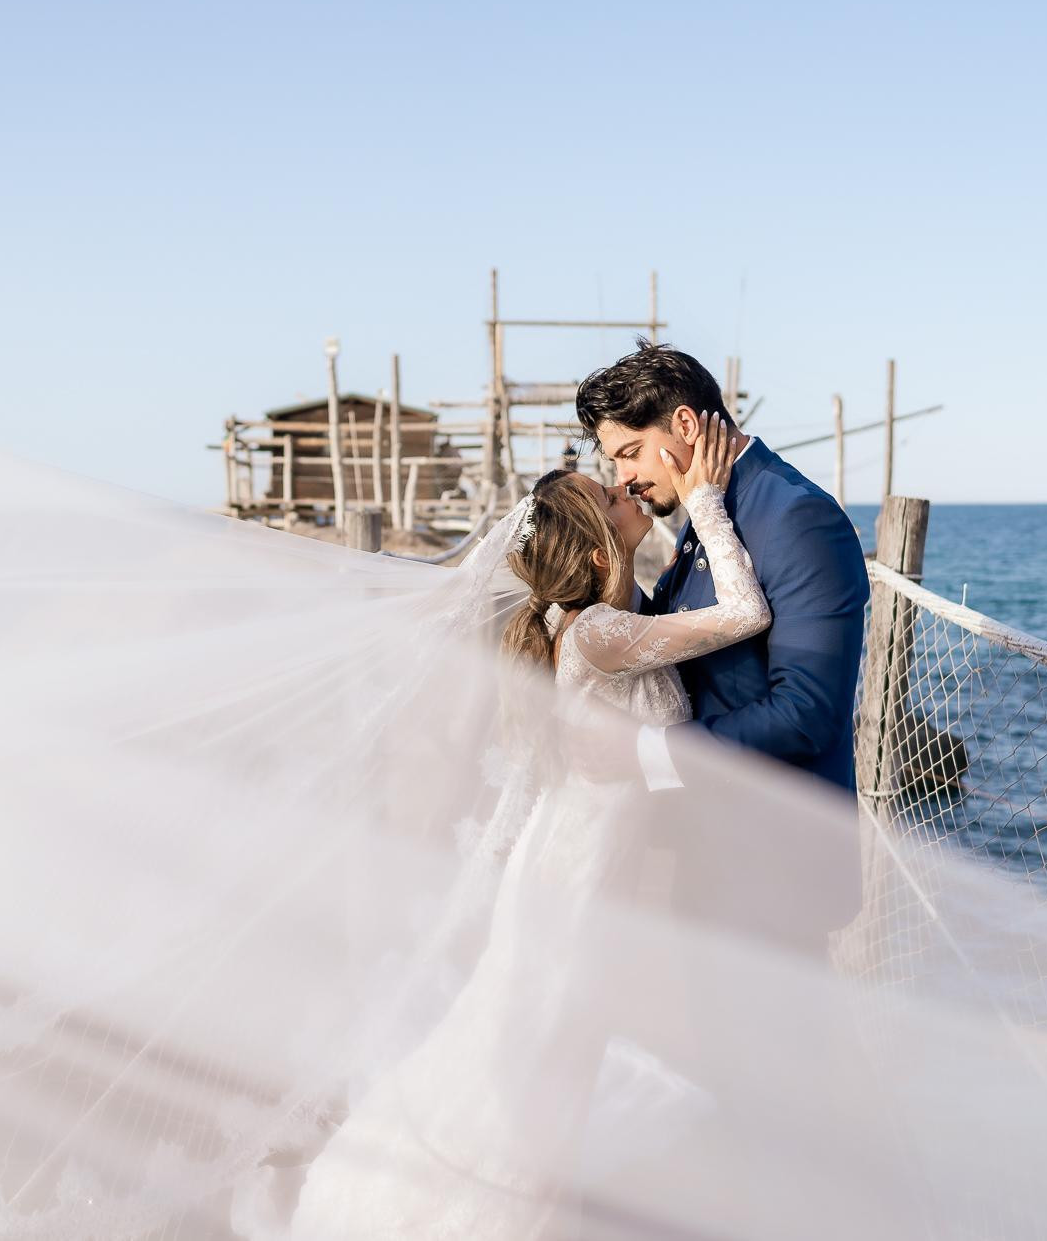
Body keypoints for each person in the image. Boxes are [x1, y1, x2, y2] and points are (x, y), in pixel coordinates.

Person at [288, 416, 766, 1239]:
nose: (624, 488)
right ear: (593, 555)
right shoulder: (599, 632)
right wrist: (707, 502)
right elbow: (746, 612)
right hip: (570, 894)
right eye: (607, 496)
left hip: (577, 877)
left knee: (548, 1069)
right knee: (534, 1069)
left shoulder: (601, 619)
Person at [575, 342, 871, 797]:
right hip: (707, 826)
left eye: (631, 452)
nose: (623, 477)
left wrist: (642, 751)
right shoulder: (706, 502)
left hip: (776, 838)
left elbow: (806, 712)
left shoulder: (799, 517)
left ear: (686, 425)